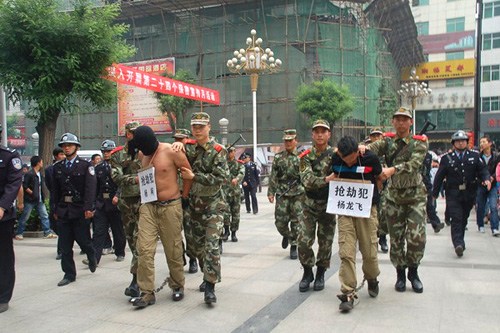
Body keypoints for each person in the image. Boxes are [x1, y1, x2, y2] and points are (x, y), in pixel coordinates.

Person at [129, 126, 193, 308]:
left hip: (170, 205)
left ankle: (177, 285)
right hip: (148, 206)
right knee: (144, 249)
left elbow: (188, 174)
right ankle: (146, 292)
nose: (142, 150)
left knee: (173, 249)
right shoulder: (142, 155)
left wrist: (185, 197)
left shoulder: (171, 151)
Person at [367, 107, 428, 293]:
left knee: (417, 237)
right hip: (394, 197)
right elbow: (372, 148)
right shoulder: (387, 142)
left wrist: (392, 170)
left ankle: (414, 272)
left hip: (415, 196)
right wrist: (363, 148)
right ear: (393, 122)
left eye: (405, 119)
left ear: (410, 122)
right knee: (396, 239)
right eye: (398, 119)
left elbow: (414, 164)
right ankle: (400, 274)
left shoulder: (419, 142)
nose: (401, 122)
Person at [325, 135, 382, 312]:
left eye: (350, 159)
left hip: (366, 211)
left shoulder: (370, 158)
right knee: (346, 251)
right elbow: (333, 174)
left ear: (358, 151)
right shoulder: (336, 158)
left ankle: (372, 278)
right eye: (344, 159)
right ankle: (348, 291)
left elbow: (379, 178)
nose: (348, 163)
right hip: (345, 211)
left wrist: (375, 200)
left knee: (369, 251)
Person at [180, 112, 229, 305]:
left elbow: (220, 178)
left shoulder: (218, 150)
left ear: (209, 127)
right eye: (195, 127)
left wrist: (195, 177)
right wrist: (176, 145)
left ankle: (210, 286)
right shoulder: (189, 148)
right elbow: (176, 156)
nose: (198, 130)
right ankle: (206, 274)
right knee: (196, 247)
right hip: (194, 207)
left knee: (211, 246)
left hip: (214, 207)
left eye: (201, 126)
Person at [433, 130, 490, 257]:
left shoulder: (475, 156)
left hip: (469, 193)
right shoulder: (447, 159)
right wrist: (434, 193)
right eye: (457, 141)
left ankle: (461, 240)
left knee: (464, 218)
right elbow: (439, 176)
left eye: (463, 141)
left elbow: (483, 170)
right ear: (453, 143)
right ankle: (458, 243)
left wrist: (486, 179)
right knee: (456, 218)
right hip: (453, 193)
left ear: (467, 142)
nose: (460, 143)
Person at [51, 133, 97, 287]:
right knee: (65, 245)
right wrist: (55, 210)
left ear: (76, 147)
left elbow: (90, 189)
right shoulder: (57, 167)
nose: (66, 148)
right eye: (64, 146)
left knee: (83, 240)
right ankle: (69, 274)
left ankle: (91, 255)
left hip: (79, 210)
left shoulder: (86, 166)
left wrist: (89, 208)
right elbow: (55, 191)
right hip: (64, 210)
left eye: (70, 145)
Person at [298, 120, 335, 292]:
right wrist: (326, 180)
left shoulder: (336, 155)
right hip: (309, 204)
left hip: (329, 204)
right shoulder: (305, 157)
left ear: (329, 134)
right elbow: (307, 180)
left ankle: (320, 272)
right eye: (317, 131)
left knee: (325, 242)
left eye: (323, 131)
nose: (320, 134)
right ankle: (307, 272)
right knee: (304, 241)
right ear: (312, 135)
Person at [110, 121, 142, 298]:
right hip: (127, 204)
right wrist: (136, 179)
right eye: (133, 133)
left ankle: (136, 280)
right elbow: (116, 176)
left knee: (140, 241)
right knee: (131, 240)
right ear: (128, 134)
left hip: (146, 202)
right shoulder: (118, 154)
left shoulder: (149, 151)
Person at [85, 140, 126, 267]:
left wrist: (118, 195)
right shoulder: (98, 168)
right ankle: (94, 258)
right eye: (104, 151)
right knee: (98, 231)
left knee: (117, 230)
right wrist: (93, 204)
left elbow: (123, 182)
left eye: (108, 151)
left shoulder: (119, 167)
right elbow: (94, 187)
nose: (106, 154)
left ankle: (120, 252)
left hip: (115, 203)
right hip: (102, 203)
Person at [268, 129, 304, 260]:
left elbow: (306, 176)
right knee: (280, 222)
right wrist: (271, 192)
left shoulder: (302, 157)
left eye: (290, 140)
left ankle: (294, 245)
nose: (288, 143)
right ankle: (288, 236)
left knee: (297, 221)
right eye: (286, 141)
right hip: (282, 192)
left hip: (298, 193)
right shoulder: (278, 157)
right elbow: (273, 176)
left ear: (296, 141)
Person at [0, 123, 23, 313]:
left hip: (2, 216)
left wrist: (2, 206)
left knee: (4, 257)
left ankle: (3, 296)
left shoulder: (9, 157)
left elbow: (14, 183)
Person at [173, 128, 198, 274]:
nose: (178, 142)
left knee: (190, 232)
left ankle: (192, 259)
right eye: (176, 139)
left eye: (181, 139)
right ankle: (180, 258)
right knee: (175, 232)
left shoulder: (193, 153)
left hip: (189, 198)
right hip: (174, 198)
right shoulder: (171, 153)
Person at [15, 156, 57, 239]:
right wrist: (32, 193)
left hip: (39, 199)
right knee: (25, 217)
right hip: (30, 200)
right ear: (38, 163)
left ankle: (47, 232)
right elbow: (25, 186)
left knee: (44, 215)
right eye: (41, 162)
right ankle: (19, 233)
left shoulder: (39, 174)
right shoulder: (29, 174)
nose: (42, 163)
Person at [369, 128, 389, 253]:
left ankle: (383, 237)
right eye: (374, 136)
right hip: (370, 187)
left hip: (386, 187)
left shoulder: (388, 151)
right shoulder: (367, 151)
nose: (376, 138)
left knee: (384, 213)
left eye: (378, 135)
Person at [476, 135, 499, 236]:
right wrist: (482, 180)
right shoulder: (478, 157)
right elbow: (476, 171)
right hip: (481, 185)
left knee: (493, 206)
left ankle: (495, 228)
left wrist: (492, 177)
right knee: (480, 206)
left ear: (489, 143)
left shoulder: (496, 156)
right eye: (481, 142)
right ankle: (480, 225)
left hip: (493, 185)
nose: (482, 144)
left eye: (484, 142)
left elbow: (498, 170)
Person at [222, 146, 245, 242]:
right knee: (225, 213)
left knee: (235, 214)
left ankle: (234, 233)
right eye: (228, 151)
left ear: (234, 152)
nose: (230, 153)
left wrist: (237, 179)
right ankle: (226, 231)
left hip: (235, 193)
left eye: (231, 151)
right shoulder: (222, 164)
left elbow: (242, 172)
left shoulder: (239, 164)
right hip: (225, 193)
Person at [422, 151, 445, 233]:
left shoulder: (428, 155)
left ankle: (436, 224)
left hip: (426, 183)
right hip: (415, 185)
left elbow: (427, 171)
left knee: (430, 206)